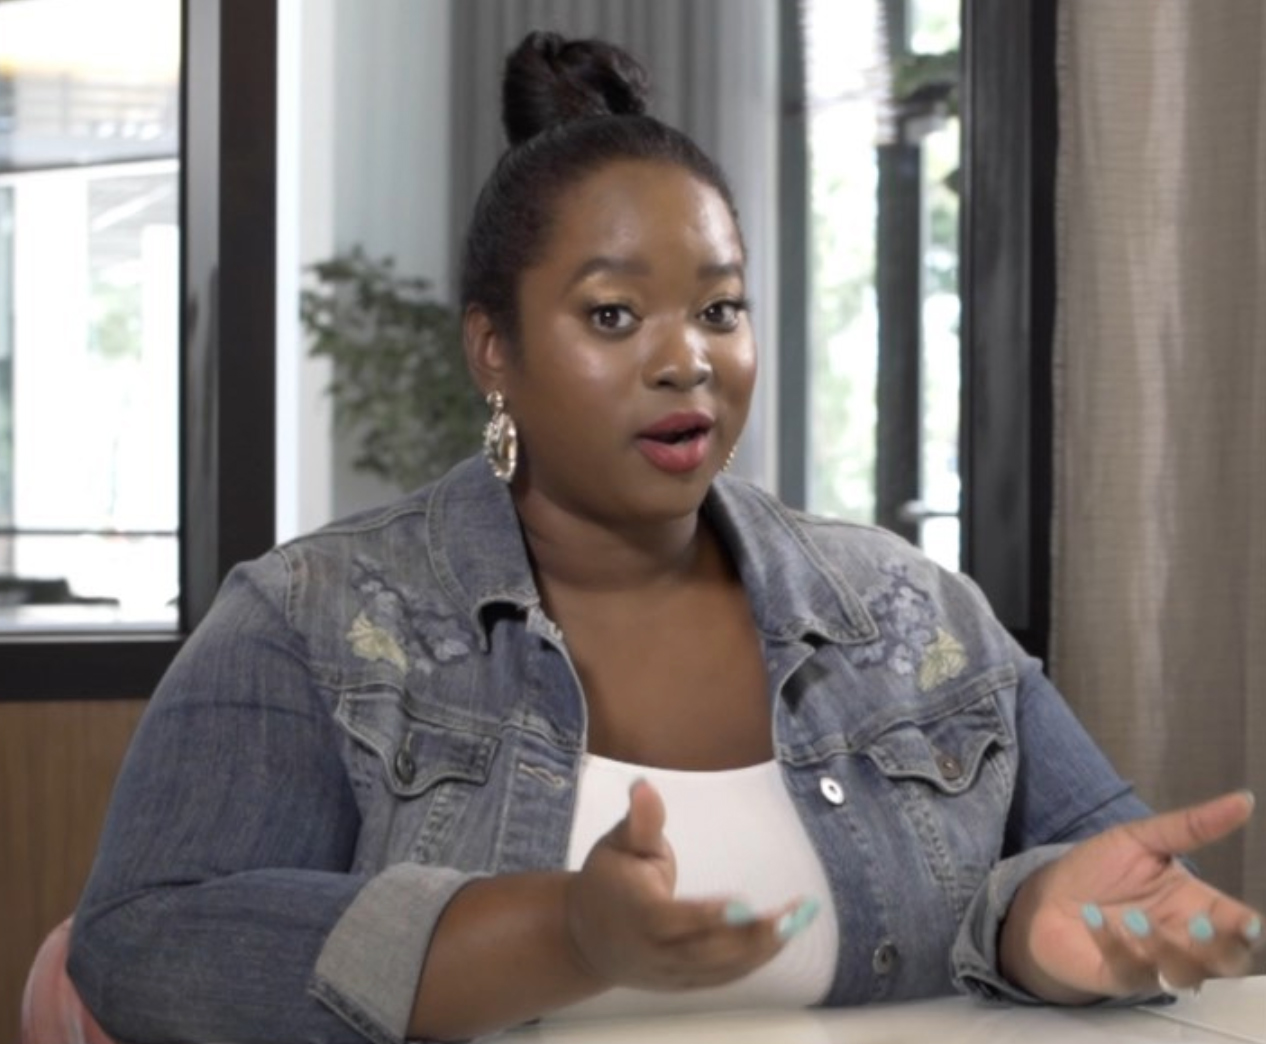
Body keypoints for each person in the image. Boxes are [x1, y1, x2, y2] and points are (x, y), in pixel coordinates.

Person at [68, 30, 1261, 1044]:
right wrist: (560, 934)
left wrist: (1039, 927)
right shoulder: (311, 619)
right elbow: (141, 940)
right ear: (493, 348)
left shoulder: (913, 617)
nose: (686, 356)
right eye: (613, 314)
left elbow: (1108, 889)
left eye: (721, 308)